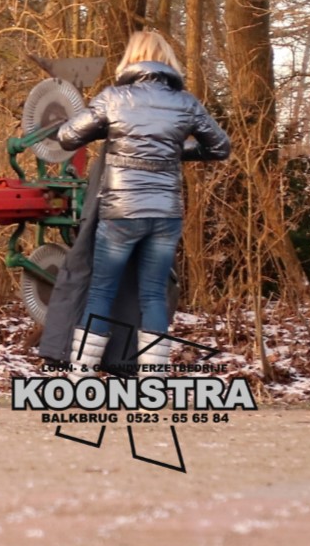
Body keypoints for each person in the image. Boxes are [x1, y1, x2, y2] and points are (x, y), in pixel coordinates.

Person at [49, 30, 230, 376]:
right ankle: (152, 382)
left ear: (131, 59)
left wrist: (110, 132)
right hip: (165, 214)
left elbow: (67, 137)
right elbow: (220, 147)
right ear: (167, 62)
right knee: (153, 296)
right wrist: (173, 151)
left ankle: (81, 376)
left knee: (101, 292)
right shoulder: (186, 103)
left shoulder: (114, 98)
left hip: (121, 212)